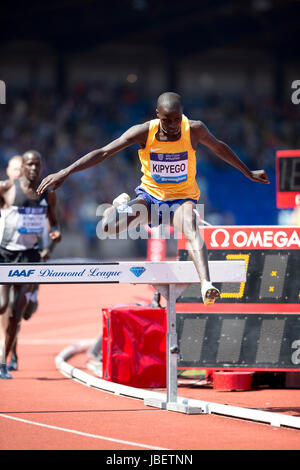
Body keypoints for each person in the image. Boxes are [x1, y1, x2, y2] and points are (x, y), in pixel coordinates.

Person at [37, 92, 269, 305]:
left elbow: (219, 148)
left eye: (176, 119)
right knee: (107, 228)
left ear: (182, 115)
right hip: (150, 198)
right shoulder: (143, 132)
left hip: (181, 199)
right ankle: (116, 207)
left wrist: (247, 172)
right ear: (157, 115)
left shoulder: (194, 129)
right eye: (167, 120)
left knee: (191, 227)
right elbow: (104, 152)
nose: (172, 125)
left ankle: (206, 284)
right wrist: (64, 172)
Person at [0, 150, 62, 379]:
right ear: (23, 167)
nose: (34, 169)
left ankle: (3, 363)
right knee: (1, 305)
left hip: (30, 257)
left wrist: (54, 238)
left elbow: (55, 225)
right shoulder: (6, 188)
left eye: (38, 165)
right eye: (30, 165)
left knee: (17, 314)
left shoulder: (47, 194)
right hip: (5, 255)